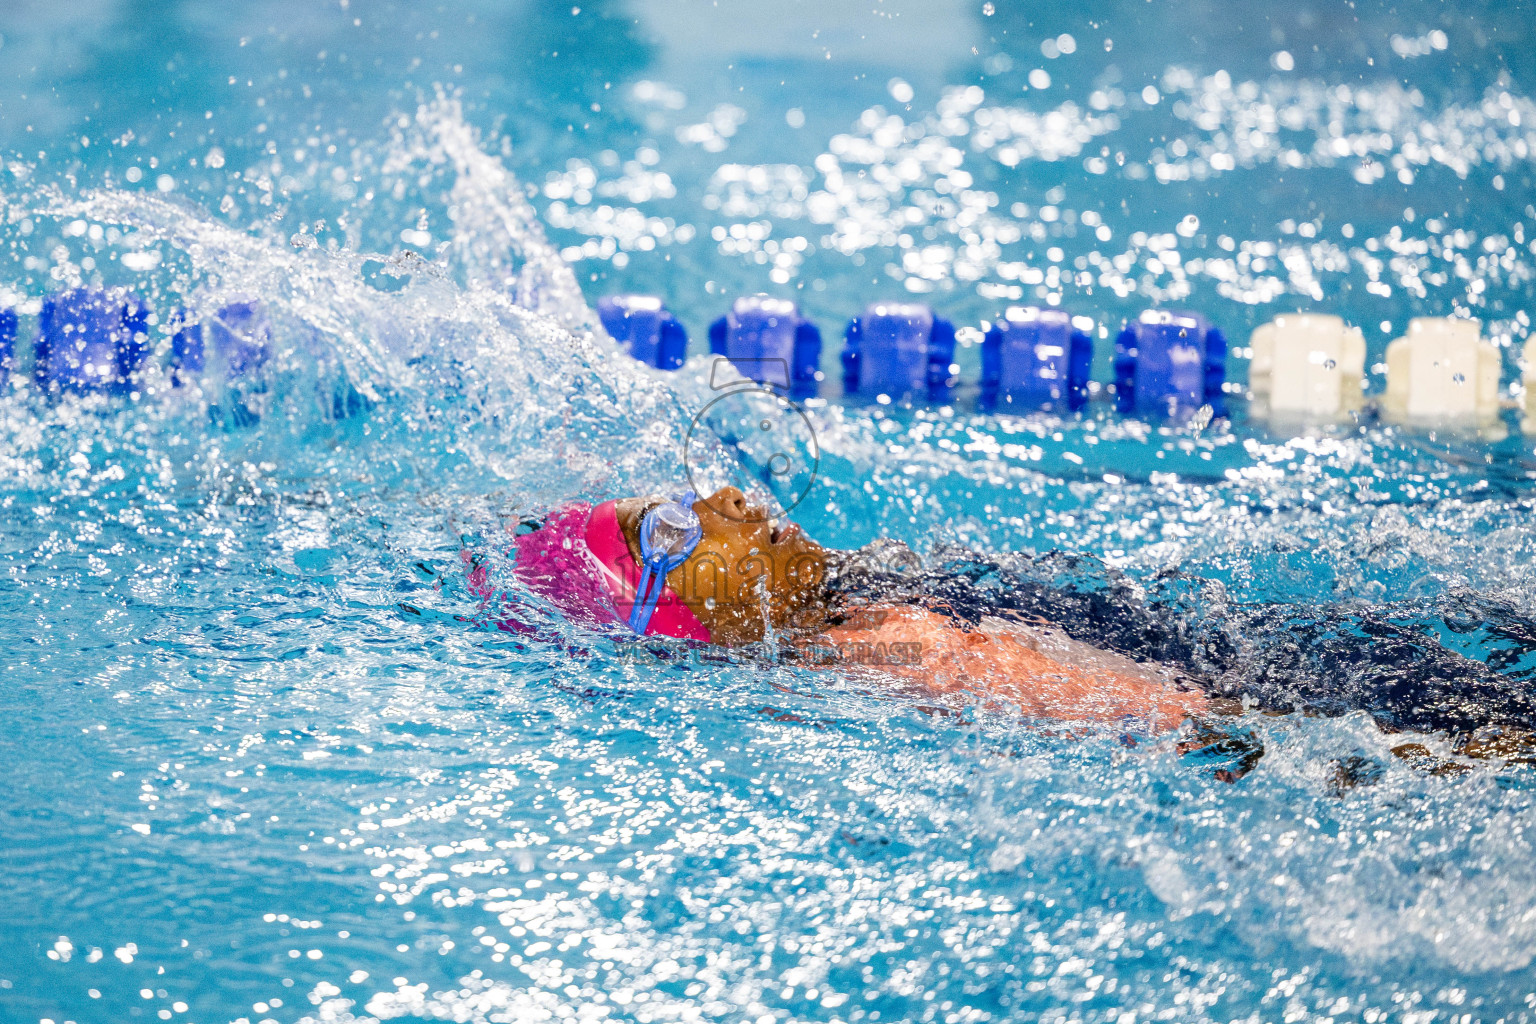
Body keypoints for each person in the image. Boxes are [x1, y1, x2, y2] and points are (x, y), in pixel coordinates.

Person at [464, 484, 1213, 732]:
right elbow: (975, 669)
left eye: (676, 498)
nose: (724, 498)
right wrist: (1206, 728)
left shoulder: (855, 594)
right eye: (673, 531)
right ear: (672, 616)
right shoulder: (859, 641)